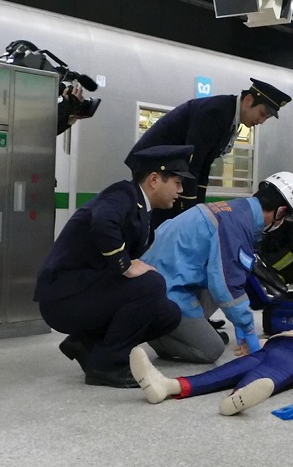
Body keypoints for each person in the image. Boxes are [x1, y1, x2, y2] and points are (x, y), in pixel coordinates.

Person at [33, 145, 192, 387]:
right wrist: (125, 265)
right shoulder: (122, 195)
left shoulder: (142, 207)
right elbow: (102, 223)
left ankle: (87, 344)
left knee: (168, 314)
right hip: (63, 297)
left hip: (85, 292)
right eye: (177, 182)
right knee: (152, 284)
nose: (180, 190)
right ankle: (108, 366)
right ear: (154, 179)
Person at [143, 172, 293, 364]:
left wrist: (238, 320)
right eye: (283, 218)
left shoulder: (236, 210)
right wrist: (247, 329)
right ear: (280, 211)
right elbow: (226, 285)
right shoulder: (237, 225)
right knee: (212, 349)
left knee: (220, 289)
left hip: (159, 278)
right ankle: (155, 333)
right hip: (166, 289)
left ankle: (175, 332)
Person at [128, 316, 293, 415]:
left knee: (271, 373)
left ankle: (237, 396)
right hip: (283, 343)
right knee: (228, 371)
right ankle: (169, 385)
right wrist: (258, 340)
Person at [124, 78, 291, 220]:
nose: (261, 121)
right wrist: (188, 209)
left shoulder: (230, 118)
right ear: (248, 100)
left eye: (266, 118)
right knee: (162, 221)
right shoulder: (216, 112)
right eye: (262, 113)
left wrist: (198, 206)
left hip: (168, 168)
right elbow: (193, 163)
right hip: (152, 166)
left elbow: (204, 165)